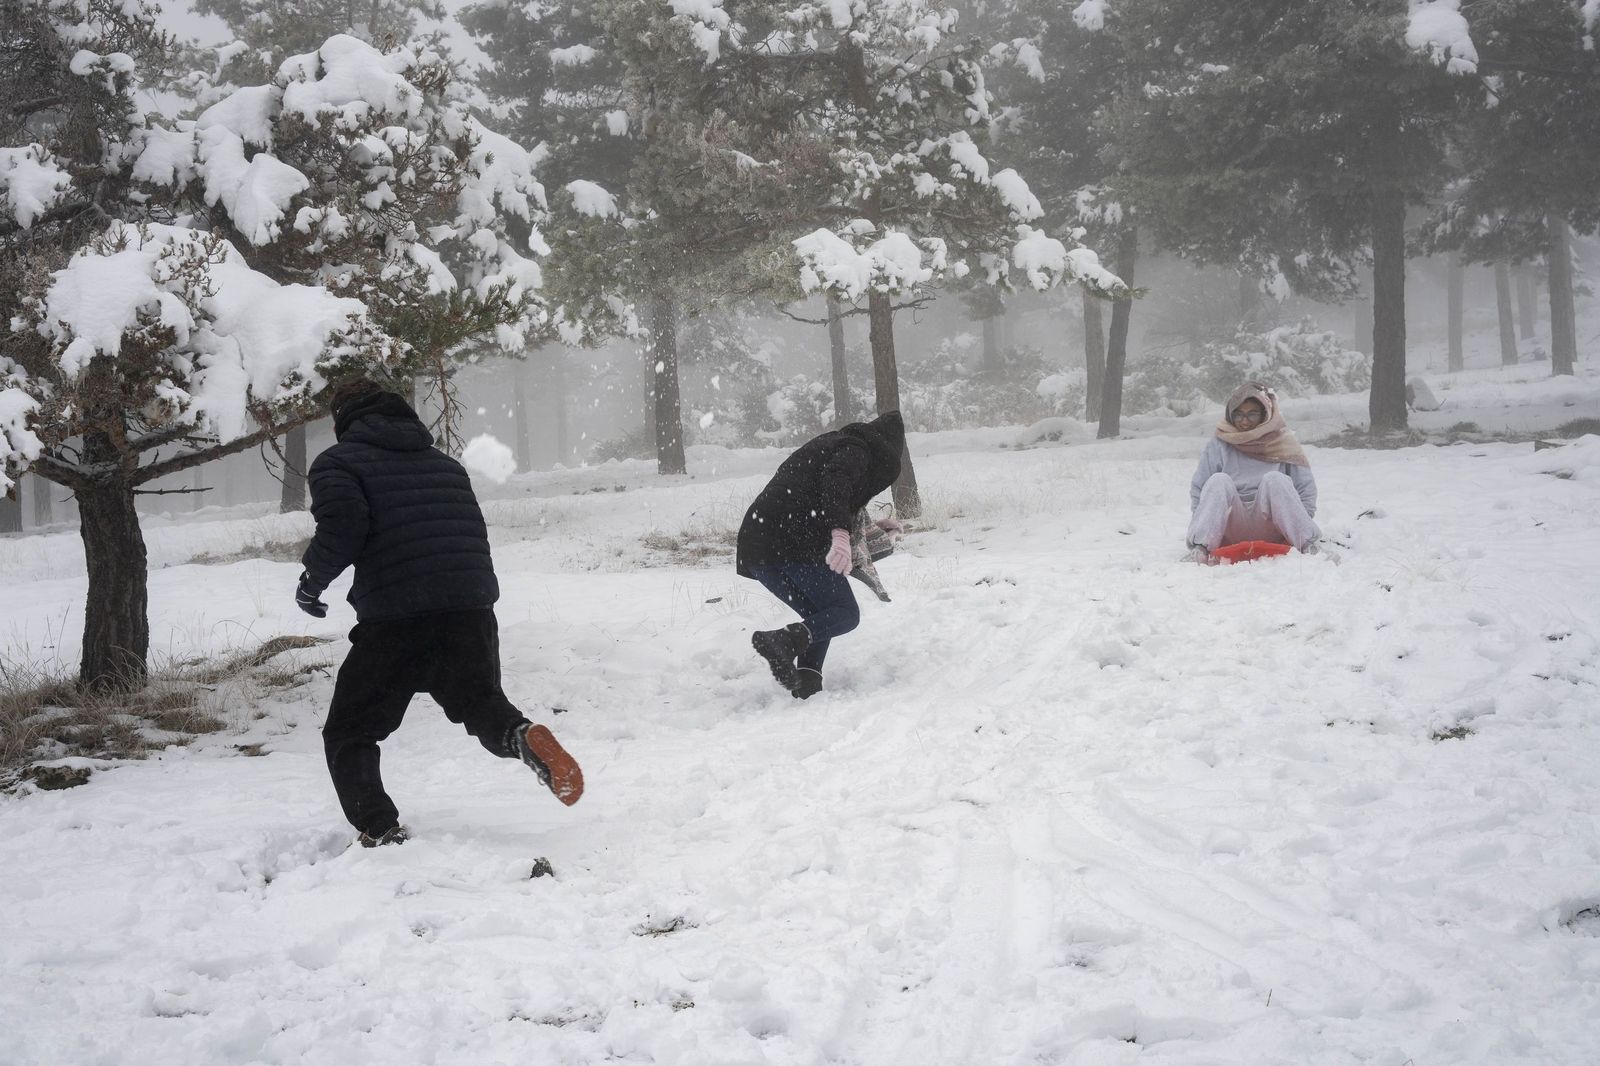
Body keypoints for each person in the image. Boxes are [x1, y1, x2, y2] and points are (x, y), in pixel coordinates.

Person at [295, 379, 582, 847]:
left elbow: (344, 526)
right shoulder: (444, 466)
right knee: (481, 705)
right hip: (469, 610)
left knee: (351, 731)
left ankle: (379, 827)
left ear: (341, 418)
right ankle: (524, 738)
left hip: (396, 617)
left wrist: (312, 582)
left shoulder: (337, 463)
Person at [736, 410, 906, 699]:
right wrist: (840, 534)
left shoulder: (833, 443)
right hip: (793, 540)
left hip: (757, 545)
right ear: (885, 458)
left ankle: (807, 680)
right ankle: (782, 641)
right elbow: (835, 485)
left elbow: (818, 496)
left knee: (820, 616)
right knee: (845, 613)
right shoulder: (855, 449)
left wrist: (873, 531)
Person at [1185, 381, 1320, 562]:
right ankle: (1200, 549)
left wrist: (1299, 523)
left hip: (1273, 525)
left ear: (1265, 413)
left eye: (1252, 414)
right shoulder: (1220, 444)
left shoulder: (1283, 442)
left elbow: (1306, 489)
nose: (1245, 421)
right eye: (1238, 415)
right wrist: (1204, 523)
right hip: (1230, 525)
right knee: (1219, 480)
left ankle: (1309, 546)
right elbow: (1200, 490)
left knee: (1275, 479)